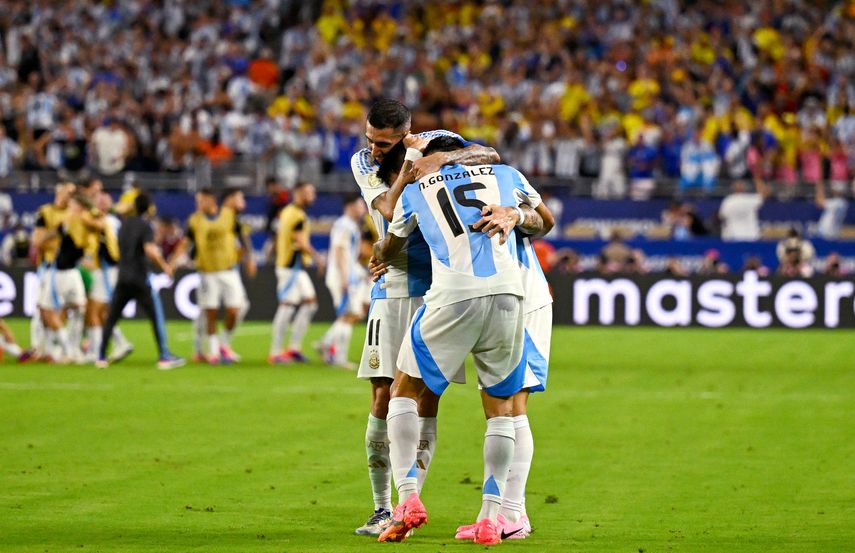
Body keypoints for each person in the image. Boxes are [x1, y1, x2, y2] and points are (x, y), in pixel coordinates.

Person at [350, 98, 500, 537]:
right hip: (392, 287)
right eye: (371, 140)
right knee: (383, 397)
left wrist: (435, 157)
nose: (376, 149)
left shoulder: (437, 141)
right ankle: (383, 507)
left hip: (440, 290)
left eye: (386, 143)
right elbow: (389, 212)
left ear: (406, 132)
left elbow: (489, 156)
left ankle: (407, 501)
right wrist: (408, 166)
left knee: (425, 398)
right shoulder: (363, 162)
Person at [373, 136, 532, 545]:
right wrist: (515, 213)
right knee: (501, 410)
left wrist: (379, 251)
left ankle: (407, 498)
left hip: (454, 295)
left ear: (426, 159)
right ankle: (489, 520)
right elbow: (541, 217)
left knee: (403, 390)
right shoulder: (506, 174)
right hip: (510, 293)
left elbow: (391, 245)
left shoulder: (416, 189)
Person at [453, 159, 555, 541]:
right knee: (498, 405)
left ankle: (512, 514)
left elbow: (546, 220)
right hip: (488, 301)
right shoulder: (441, 188)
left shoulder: (508, 177)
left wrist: (516, 214)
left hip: (523, 298)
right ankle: (505, 514)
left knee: (513, 403)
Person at [97, 193, 183, 370]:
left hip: (122, 277)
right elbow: (150, 250)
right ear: (149, 208)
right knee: (155, 316)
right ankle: (164, 356)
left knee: (112, 318)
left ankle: (101, 357)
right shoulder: (145, 226)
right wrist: (165, 266)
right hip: (140, 278)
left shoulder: (124, 225)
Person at [171, 188, 252, 364]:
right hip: (207, 273)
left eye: (201, 201)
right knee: (211, 313)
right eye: (197, 201)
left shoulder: (229, 215)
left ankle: (223, 344)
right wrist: (171, 264)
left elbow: (243, 238)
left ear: (211, 200)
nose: (198, 205)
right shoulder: (194, 220)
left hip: (228, 271)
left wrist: (248, 259)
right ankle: (214, 352)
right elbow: (185, 244)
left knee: (236, 308)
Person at [37, 192, 104, 363]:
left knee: (47, 311)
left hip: (60, 272)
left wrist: (48, 235)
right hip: (74, 271)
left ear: (79, 207)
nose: (70, 206)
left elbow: (48, 236)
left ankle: (67, 350)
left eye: (73, 204)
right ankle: (76, 350)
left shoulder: (75, 219)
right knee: (80, 308)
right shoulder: (85, 222)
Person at [269, 181, 322, 364]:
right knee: (287, 306)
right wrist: (318, 258)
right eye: (310, 192)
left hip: (293, 267)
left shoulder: (286, 212)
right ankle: (275, 352)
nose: (313, 196)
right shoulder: (297, 215)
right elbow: (300, 241)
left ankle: (293, 347)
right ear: (299, 193)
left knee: (310, 303)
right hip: (290, 267)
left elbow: (278, 237)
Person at [318, 194, 367, 369]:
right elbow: (339, 250)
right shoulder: (344, 225)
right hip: (342, 276)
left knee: (352, 314)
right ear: (351, 206)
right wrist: (345, 277)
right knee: (348, 315)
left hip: (347, 275)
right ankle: (339, 357)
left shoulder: (351, 225)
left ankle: (326, 343)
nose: (363, 208)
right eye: (360, 205)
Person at [30, 182, 75, 360]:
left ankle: (54, 349)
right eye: (68, 192)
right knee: (42, 309)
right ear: (59, 192)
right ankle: (39, 348)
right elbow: (37, 241)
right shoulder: (46, 212)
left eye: (73, 193)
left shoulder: (73, 214)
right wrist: (56, 231)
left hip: (68, 268)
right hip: (49, 266)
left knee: (62, 309)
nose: (70, 196)